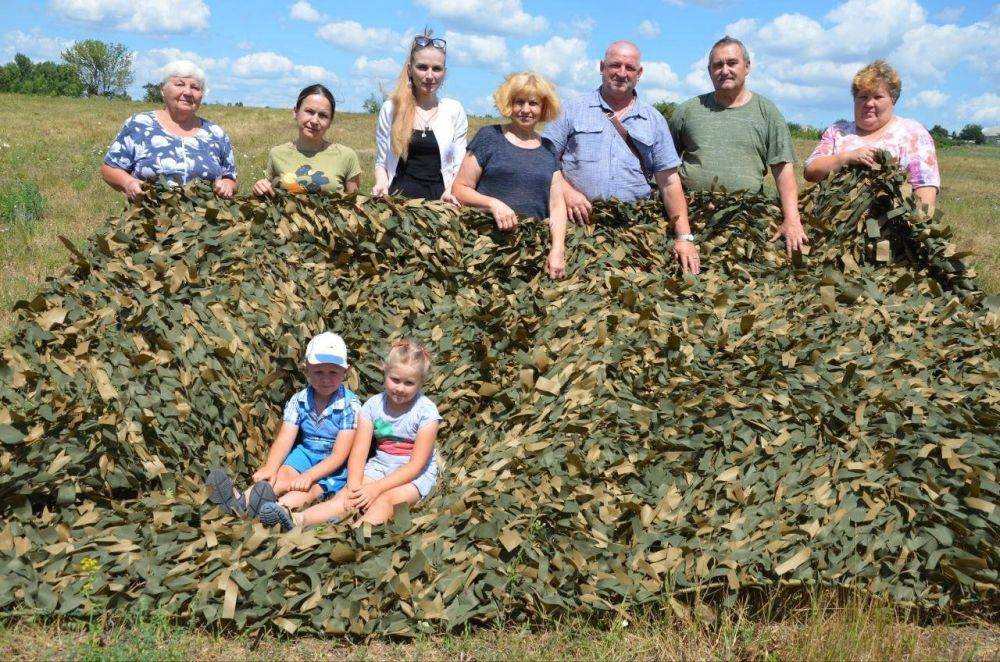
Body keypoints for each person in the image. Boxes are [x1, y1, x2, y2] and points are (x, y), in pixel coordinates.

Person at [542, 41, 700, 274]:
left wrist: (684, 237)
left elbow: (669, 182)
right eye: (615, 65)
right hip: (578, 226)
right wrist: (567, 192)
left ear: (640, 74)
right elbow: (543, 159)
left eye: (630, 68)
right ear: (602, 67)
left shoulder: (654, 120)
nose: (622, 73)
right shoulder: (571, 109)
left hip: (633, 229)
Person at [260, 340, 441, 530]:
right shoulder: (373, 406)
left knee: (385, 501)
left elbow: (416, 465)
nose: (400, 388)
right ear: (385, 372)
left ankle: (356, 534)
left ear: (421, 383)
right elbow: (359, 451)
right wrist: (354, 485)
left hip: (413, 476)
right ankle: (298, 520)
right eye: (395, 380)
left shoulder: (426, 412)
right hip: (380, 466)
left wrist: (376, 488)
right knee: (347, 498)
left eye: (409, 383)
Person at [669, 36, 807, 256]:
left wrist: (792, 219)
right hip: (692, 217)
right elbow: (664, 166)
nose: (724, 70)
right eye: (717, 65)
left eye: (732, 63)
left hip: (746, 219)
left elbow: (783, 170)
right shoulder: (687, 111)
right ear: (709, 71)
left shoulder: (767, 112)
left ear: (747, 66)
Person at [206, 332, 359, 519]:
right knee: (282, 476)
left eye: (333, 372)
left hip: (332, 464)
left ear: (345, 372)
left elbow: (339, 454)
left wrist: (310, 475)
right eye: (318, 371)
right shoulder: (299, 400)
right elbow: (285, 438)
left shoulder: (350, 406)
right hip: (305, 453)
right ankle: (240, 502)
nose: (325, 379)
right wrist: (271, 467)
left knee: (309, 490)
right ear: (306, 370)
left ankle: (277, 510)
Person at [452, 72, 567, 279]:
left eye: (533, 103)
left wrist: (557, 249)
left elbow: (557, 207)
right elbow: (460, 189)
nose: (525, 110)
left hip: (532, 253)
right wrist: (493, 204)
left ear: (543, 108)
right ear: (508, 104)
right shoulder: (489, 137)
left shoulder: (549, 149)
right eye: (519, 102)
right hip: (485, 250)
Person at [805, 60, 939, 208]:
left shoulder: (913, 133)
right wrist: (847, 157)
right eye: (863, 97)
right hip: (832, 225)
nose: (869, 104)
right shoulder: (838, 131)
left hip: (890, 227)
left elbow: (925, 188)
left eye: (878, 97)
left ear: (893, 100)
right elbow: (811, 171)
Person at [102, 60, 237, 201]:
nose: (188, 92)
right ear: (162, 89)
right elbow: (109, 169)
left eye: (196, 87)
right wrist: (128, 182)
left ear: (201, 95)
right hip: (149, 218)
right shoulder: (139, 124)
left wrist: (228, 185)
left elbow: (230, 178)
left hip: (204, 220)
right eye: (179, 84)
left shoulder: (216, 133)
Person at [372, 33, 467, 203]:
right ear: (410, 69)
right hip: (398, 204)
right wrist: (381, 183)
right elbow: (381, 163)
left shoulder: (454, 110)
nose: (430, 75)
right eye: (422, 67)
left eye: (436, 69)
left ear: (444, 73)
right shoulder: (391, 109)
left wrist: (450, 191)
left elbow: (458, 166)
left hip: (441, 205)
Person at [252, 84, 360, 197]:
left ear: (330, 121)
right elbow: (268, 196)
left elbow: (354, 206)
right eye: (309, 111)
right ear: (295, 112)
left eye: (323, 115)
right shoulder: (277, 154)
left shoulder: (346, 156)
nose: (314, 120)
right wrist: (259, 189)